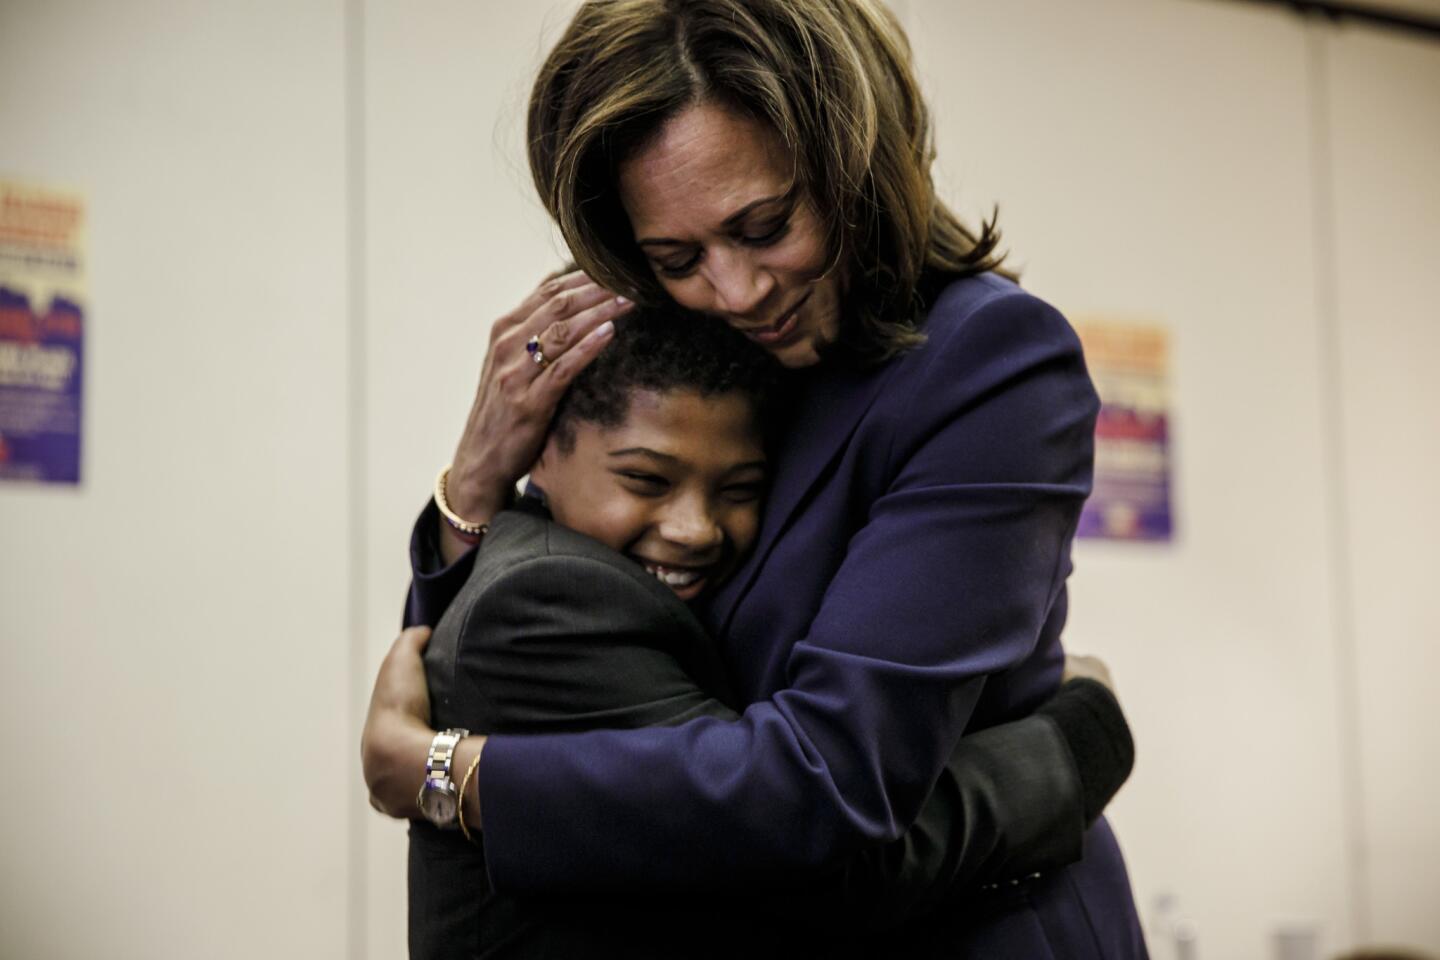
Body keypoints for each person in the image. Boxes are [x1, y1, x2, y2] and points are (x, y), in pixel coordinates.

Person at [365, 0, 1148, 954]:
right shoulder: (724, 355)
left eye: (767, 224)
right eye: (677, 257)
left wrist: (457, 779)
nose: (736, 292)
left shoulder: (985, 361)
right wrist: (477, 485)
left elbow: (827, 793)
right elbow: (526, 653)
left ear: (857, 164)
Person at [406, 307, 1136, 958]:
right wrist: (1079, 745)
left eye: (739, 490)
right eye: (646, 480)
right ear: (541, 450)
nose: (694, 529)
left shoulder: (566, 572)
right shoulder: (553, 596)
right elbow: (812, 861)